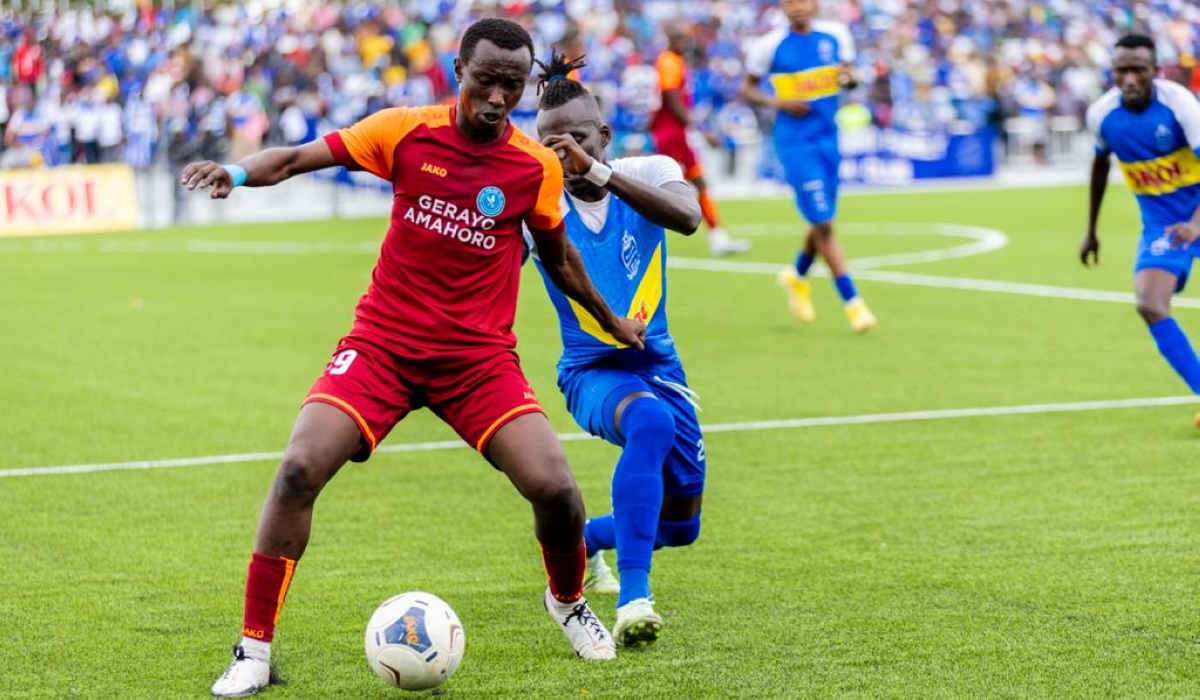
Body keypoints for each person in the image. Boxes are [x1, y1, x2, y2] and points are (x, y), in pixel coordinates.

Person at [183, 19, 644, 697]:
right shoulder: (404, 130)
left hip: (478, 361)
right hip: (383, 348)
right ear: (459, 68)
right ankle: (253, 651)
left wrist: (611, 323)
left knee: (558, 491)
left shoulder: (532, 167)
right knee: (297, 470)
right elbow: (297, 158)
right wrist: (236, 171)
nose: (496, 97)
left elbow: (560, 260)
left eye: (512, 87)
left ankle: (568, 602)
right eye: (485, 79)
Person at [527, 53, 707, 648]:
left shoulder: (650, 169)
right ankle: (634, 599)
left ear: (602, 135)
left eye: (575, 139)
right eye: (548, 143)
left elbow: (687, 218)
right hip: (591, 370)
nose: (563, 153)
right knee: (649, 424)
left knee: (683, 529)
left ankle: (586, 541)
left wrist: (599, 174)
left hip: (661, 365)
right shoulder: (537, 205)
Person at [740, 0, 877, 333]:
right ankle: (853, 303)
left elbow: (851, 79)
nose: (796, 7)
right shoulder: (769, 46)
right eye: (788, 3)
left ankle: (796, 276)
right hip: (795, 144)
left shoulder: (836, 36)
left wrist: (849, 78)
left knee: (821, 218)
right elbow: (747, 89)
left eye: (801, 1)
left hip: (829, 140)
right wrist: (778, 102)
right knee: (825, 223)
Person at [1081, 34, 1200, 409]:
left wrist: (1196, 224)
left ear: (1156, 71)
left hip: (1197, 213)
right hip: (1164, 225)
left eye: (1139, 70)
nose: (1130, 79)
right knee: (1150, 304)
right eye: (1122, 71)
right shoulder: (1102, 115)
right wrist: (1091, 230)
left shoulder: (1180, 105)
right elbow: (1100, 165)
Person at [652, 24, 749, 257]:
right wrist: (702, 130)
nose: (685, 42)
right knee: (667, 187)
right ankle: (716, 237)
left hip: (674, 134)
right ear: (671, 38)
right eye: (681, 37)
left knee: (693, 182)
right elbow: (671, 98)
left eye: (687, 38)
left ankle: (718, 237)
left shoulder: (674, 61)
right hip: (672, 135)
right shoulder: (669, 61)